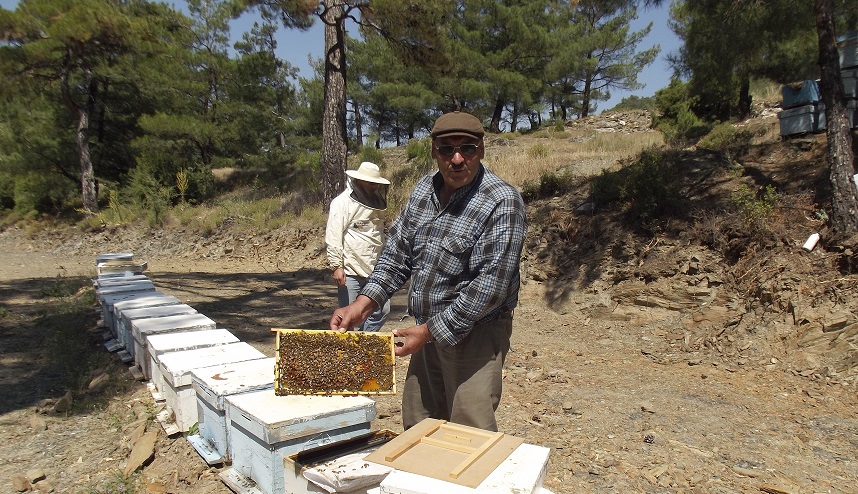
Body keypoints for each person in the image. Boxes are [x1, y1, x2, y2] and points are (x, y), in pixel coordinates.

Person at [329, 111, 527, 432]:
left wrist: (427, 332)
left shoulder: (503, 201)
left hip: (475, 336)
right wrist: (361, 305)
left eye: (468, 148)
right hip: (426, 333)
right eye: (447, 149)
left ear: (482, 151)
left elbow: (490, 287)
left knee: (468, 434)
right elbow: (396, 254)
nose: (457, 158)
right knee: (420, 425)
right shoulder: (424, 190)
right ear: (434, 151)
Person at [325, 161, 391, 332]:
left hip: (375, 268)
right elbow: (334, 235)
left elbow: (378, 237)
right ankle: (347, 354)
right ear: (360, 181)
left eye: (376, 182)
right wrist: (336, 266)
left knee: (382, 310)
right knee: (347, 316)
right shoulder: (341, 203)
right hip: (351, 269)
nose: (374, 186)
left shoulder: (376, 203)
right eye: (371, 182)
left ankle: (364, 341)